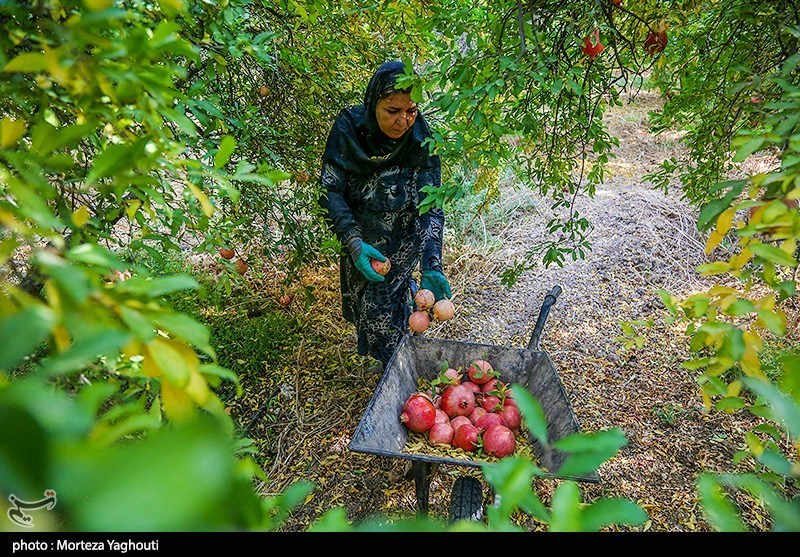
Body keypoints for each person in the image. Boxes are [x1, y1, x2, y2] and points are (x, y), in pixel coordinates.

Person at [317, 60, 452, 370]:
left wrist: (432, 264)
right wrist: (352, 241)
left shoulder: (422, 139)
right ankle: (392, 348)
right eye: (392, 111)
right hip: (359, 233)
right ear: (373, 102)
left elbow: (431, 206)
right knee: (363, 301)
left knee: (381, 306)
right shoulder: (349, 129)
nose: (403, 121)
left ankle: (396, 368)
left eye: (411, 111)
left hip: (403, 236)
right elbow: (330, 190)